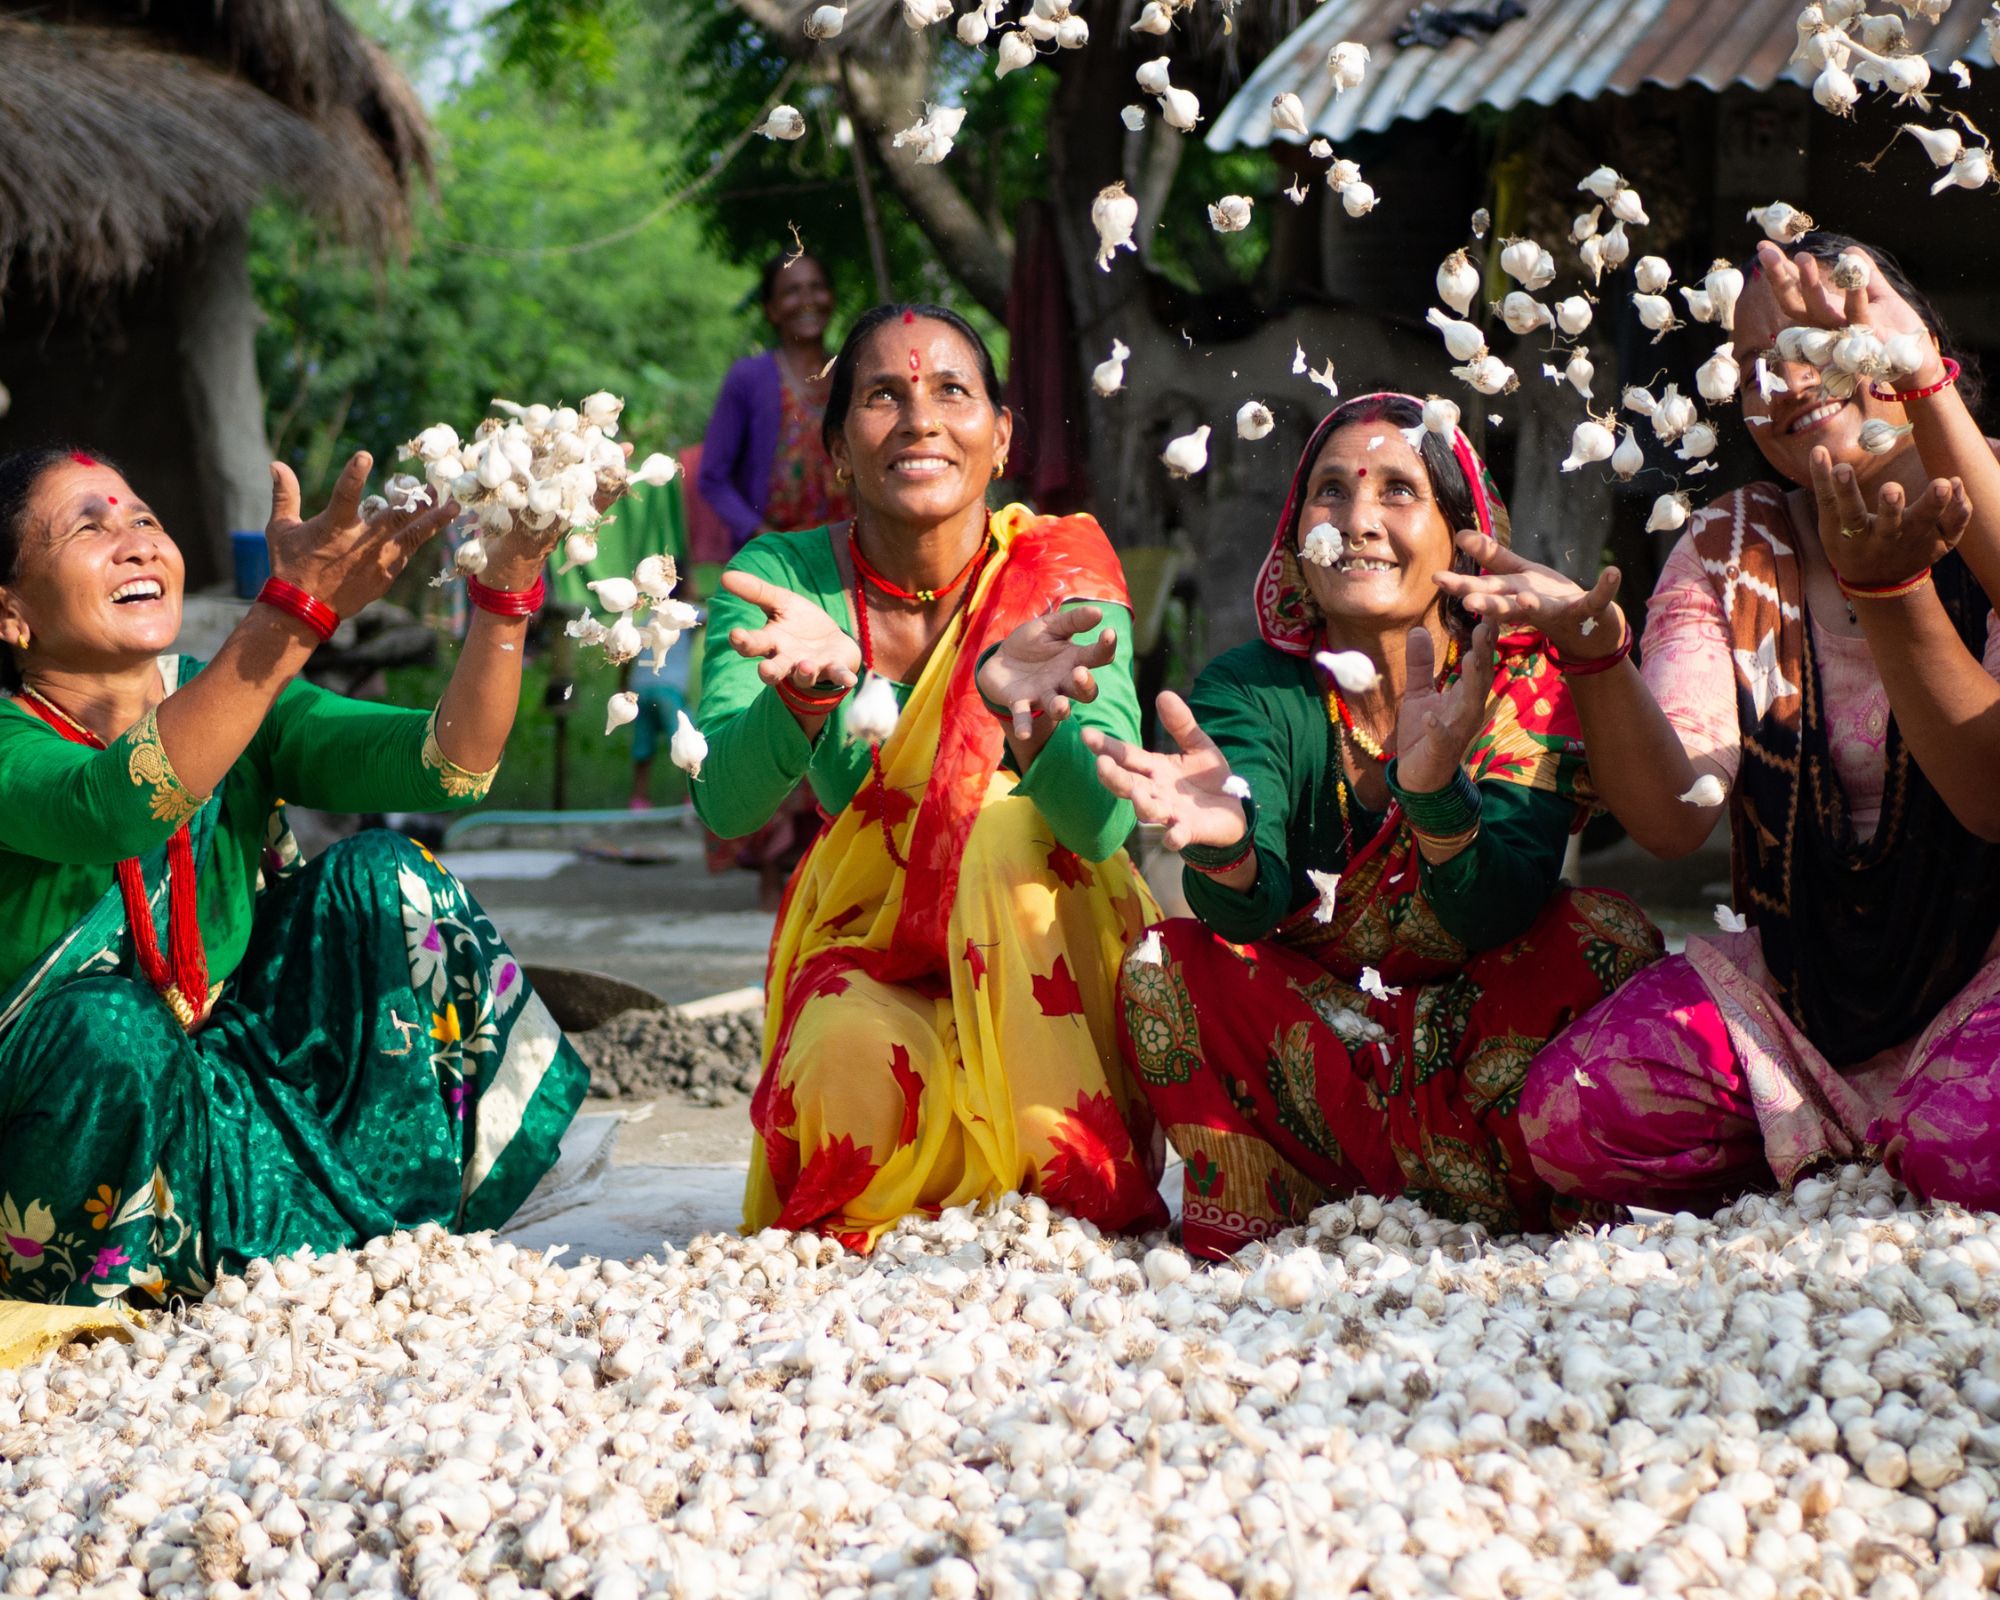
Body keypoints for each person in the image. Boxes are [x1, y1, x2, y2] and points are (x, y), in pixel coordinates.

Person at [1469, 236, 2000, 1213]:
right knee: (1565, 1116)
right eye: (1755, 366)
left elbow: (1987, 798)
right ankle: (1854, 1135)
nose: (1790, 378)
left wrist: (1895, 575)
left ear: (1916, 344)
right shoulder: (1727, 547)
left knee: (1964, 1149)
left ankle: (1908, 1132)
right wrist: (1593, 658)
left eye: (1820, 336)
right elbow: (1676, 815)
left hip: (1986, 981)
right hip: (1804, 1001)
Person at [0, 446, 586, 1305]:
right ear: (11, 612)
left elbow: (446, 765)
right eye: (90, 528)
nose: (134, 543)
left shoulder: (229, 696)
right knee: (110, 1029)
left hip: (225, 1103)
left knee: (382, 875)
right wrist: (294, 611)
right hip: (62, 1131)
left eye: (145, 521)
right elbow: (115, 805)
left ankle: (395, 1229)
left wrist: (505, 591)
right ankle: (109, 1278)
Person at [1085, 394, 1662, 1260]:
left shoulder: (1520, 679)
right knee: (1165, 964)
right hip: (1320, 1052)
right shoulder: (1251, 690)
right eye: (1329, 493)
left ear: (1463, 536)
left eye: (1398, 491)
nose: (1357, 521)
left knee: (1604, 941)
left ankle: (1524, 1179)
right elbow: (1252, 909)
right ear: (1295, 537)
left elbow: (1498, 907)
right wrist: (1230, 851)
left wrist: (1434, 798)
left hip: (1478, 1041)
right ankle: (1290, 1204)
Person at [697, 303, 1165, 1249]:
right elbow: (727, 803)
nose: (919, 419)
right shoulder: (783, 580)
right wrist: (803, 702)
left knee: (995, 821)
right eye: (882, 396)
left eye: (952, 391)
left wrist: (1029, 727)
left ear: (999, 441)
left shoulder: (1058, 568)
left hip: (1047, 944)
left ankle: (1053, 1176)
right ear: (836, 451)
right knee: (841, 1092)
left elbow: (1105, 831)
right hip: (879, 948)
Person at [696, 253, 853, 901]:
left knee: (843, 698)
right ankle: (773, 875)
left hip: (846, 570)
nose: (806, 300)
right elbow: (711, 476)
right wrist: (757, 538)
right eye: (790, 291)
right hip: (774, 574)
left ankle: (840, 860)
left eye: (817, 286)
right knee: (774, 698)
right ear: (769, 306)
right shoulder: (750, 380)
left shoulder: (853, 372)